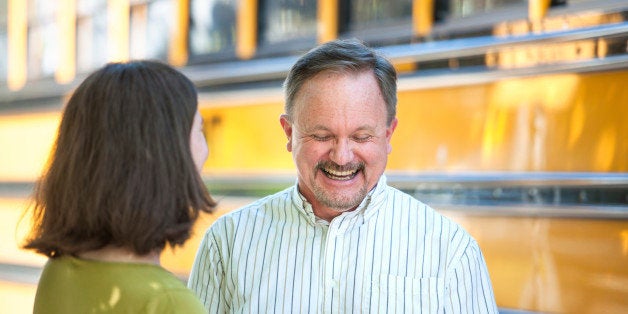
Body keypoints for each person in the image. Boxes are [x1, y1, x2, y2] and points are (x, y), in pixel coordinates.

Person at [188, 39, 498, 313]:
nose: (342, 157)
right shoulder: (226, 244)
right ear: (289, 132)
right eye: (322, 136)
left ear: (389, 135)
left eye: (361, 137)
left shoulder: (452, 252)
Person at [22, 60, 217, 313]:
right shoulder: (169, 302)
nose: (206, 151)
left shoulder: (58, 271)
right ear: (167, 155)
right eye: (199, 130)